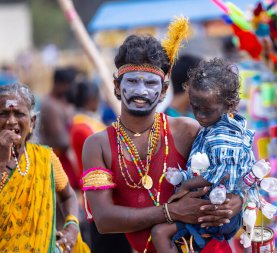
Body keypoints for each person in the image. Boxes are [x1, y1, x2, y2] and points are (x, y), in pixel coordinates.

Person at [81, 33, 243, 253]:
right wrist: (170, 211)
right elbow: (104, 219)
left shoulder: (187, 130)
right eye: (132, 81)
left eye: (150, 82)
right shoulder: (98, 145)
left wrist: (238, 200)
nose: (141, 91)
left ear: (164, 90)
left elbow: (230, 175)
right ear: (117, 86)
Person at [151, 58, 255, 253]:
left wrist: (187, 185)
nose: (199, 116)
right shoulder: (212, 127)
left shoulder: (222, 135)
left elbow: (222, 173)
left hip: (218, 212)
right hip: (217, 208)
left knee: (159, 233)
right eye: (195, 108)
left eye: (206, 111)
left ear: (229, 105)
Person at [0, 82, 89, 253]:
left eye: (19, 114)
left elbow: (69, 196)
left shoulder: (45, 158)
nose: (11, 121)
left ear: (32, 122)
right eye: (3, 114)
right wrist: (2, 161)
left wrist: (72, 226)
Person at [69, 80, 131, 253]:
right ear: (90, 99)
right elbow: (110, 150)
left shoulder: (87, 123)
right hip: (99, 193)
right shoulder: (82, 126)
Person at [39, 67, 80, 190]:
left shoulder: (61, 101)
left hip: (64, 158)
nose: (71, 89)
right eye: (69, 85)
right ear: (60, 84)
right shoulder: (49, 105)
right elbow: (60, 139)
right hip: (57, 159)